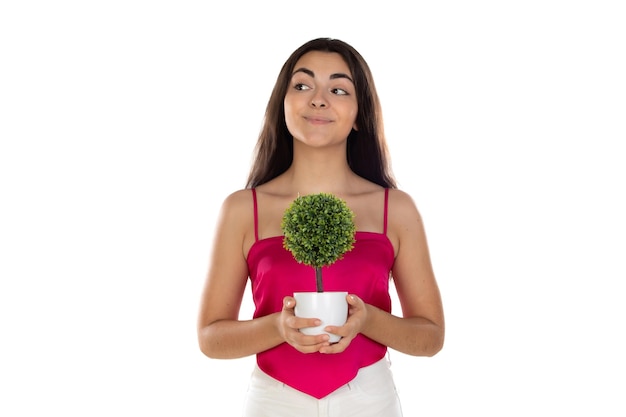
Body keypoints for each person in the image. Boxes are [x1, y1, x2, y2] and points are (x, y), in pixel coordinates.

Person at [197, 37, 445, 417]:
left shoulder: (394, 209)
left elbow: (430, 337)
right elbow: (211, 337)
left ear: (360, 113)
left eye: (338, 89)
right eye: (302, 85)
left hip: (369, 399)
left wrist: (368, 320)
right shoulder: (242, 209)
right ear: (283, 103)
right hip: (274, 401)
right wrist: (278, 328)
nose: (318, 99)